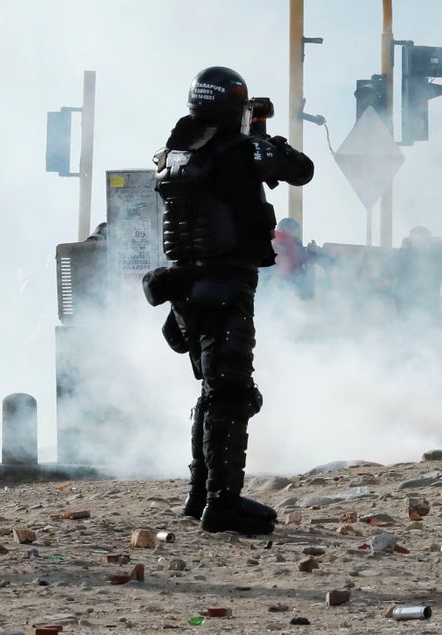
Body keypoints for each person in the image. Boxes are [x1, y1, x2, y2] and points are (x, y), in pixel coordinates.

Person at [143, 67, 314, 536]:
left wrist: (249, 132)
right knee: (231, 394)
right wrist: (260, 134)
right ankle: (222, 502)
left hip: (187, 287)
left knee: (212, 392)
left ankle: (201, 491)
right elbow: (301, 170)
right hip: (225, 286)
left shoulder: (177, 151)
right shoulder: (239, 151)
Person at [393, 226, 442, 319]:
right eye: (417, 238)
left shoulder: (437, 255)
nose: (420, 242)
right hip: (405, 309)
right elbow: (392, 270)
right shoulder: (405, 254)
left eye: (423, 239)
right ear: (411, 240)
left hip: (429, 308)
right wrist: (403, 249)